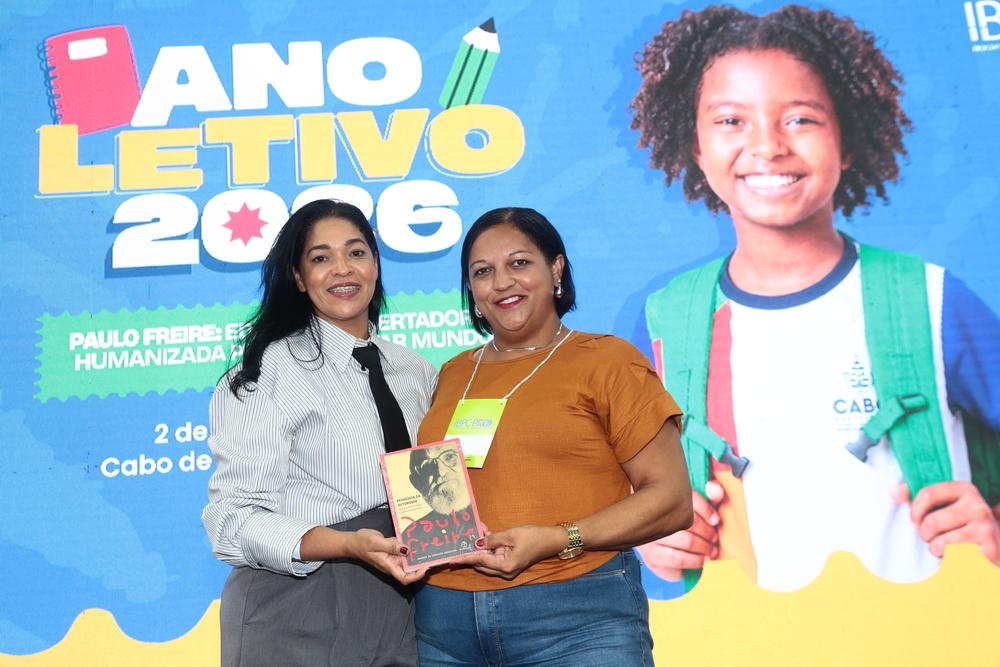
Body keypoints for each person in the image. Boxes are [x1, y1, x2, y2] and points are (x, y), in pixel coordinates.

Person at [630, 4, 1000, 592]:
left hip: (933, 632)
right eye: (731, 120)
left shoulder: (932, 301)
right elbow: (626, 494)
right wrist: (653, 537)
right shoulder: (666, 326)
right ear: (695, 146)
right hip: (748, 638)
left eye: (800, 118)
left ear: (847, 140)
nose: (767, 145)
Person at [414, 207, 693, 665]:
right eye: (483, 272)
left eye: (519, 263)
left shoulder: (608, 361)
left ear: (556, 269)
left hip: (577, 617)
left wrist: (557, 538)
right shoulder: (452, 373)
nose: (501, 282)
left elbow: (671, 500)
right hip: (444, 625)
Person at [201, 199, 437, 666]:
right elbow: (231, 520)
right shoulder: (267, 371)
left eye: (356, 252)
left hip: (400, 604)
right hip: (295, 603)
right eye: (321, 257)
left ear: (375, 264)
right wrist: (346, 542)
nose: (342, 269)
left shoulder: (416, 370)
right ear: (298, 276)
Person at [400, 444, 480, 563]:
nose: (441, 472)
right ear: (416, 483)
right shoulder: (411, 535)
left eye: (449, 457)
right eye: (427, 467)